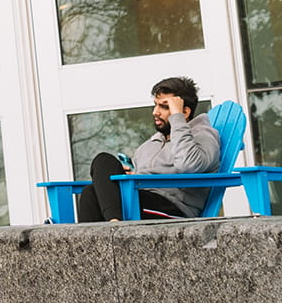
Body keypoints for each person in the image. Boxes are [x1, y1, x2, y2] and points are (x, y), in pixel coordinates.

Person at [76, 76, 221, 222]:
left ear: (184, 112)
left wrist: (177, 118)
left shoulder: (203, 136)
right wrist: (133, 174)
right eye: (156, 105)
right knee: (99, 170)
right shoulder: (151, 144)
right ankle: (113, 225)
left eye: (164, 106)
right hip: (141, 199)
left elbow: (188, 164)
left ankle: (115, 227)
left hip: (173, 208)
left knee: (97, 192)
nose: (155, 112)